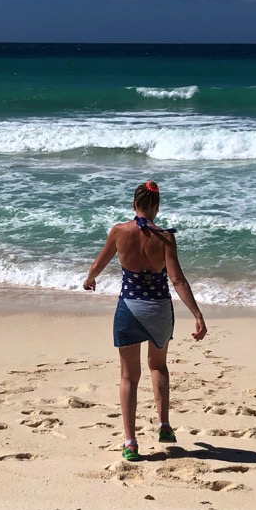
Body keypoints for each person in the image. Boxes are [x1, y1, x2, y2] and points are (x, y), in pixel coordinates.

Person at [83, 180, 207, 462]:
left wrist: (90, 280)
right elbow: (177, 279)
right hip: (159, 310)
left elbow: (98, 264)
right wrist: (197, 314)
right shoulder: (165, 237)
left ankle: (130, 443)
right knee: (158, 365)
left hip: (129, 308)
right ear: (157, 207)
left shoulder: (119, 232)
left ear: (133, 204)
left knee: (128, 376)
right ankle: (163, 426)